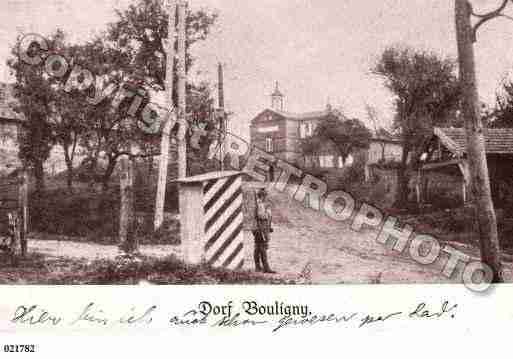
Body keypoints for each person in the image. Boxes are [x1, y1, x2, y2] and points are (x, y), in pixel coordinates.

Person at [252, 188, 276, 274]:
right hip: (261, 227)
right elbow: (261, 216)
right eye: (265, 196)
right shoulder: (260, 204)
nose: (266, 198)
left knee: (257, 247)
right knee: (262, 247)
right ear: (262, 196)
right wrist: (268, 212)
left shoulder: (257, 203)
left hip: (257, 228)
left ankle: (258, 267)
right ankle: (266, 267)